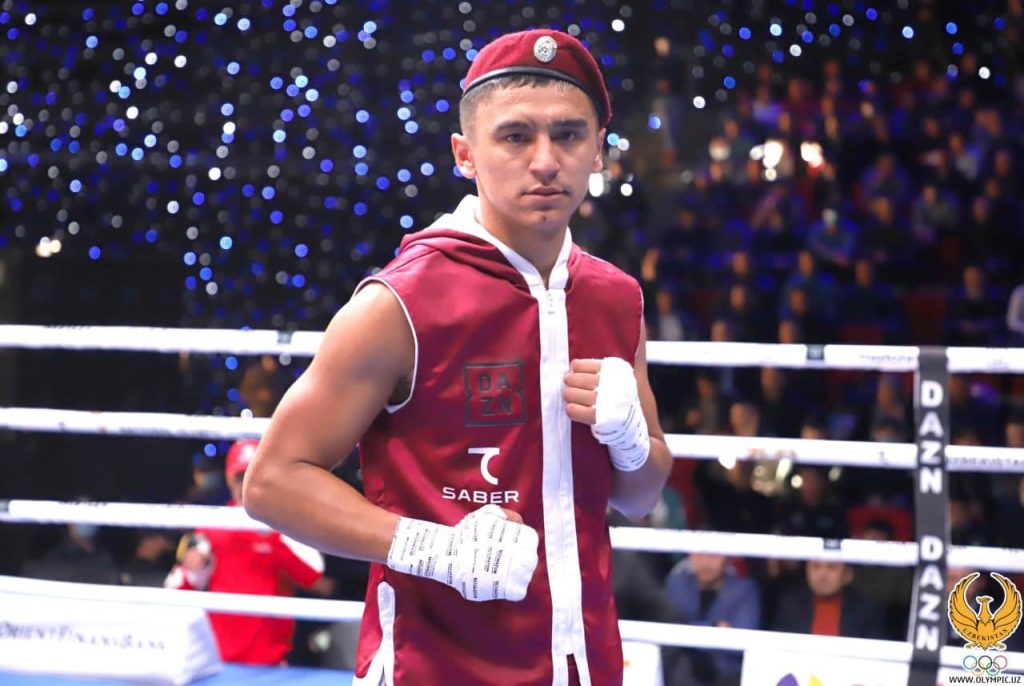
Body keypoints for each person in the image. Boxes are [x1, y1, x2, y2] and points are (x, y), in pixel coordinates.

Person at [242, 28, 672, 686]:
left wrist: (631, 440)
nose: (546, 161)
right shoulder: (400, 303)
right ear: (465, 155)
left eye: (568, 135)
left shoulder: (616, 299)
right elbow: (271, 482)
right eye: (516, 136)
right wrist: (432, 548)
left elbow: (640, 498)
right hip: (433, 668)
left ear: (597, 151)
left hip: (582, 665)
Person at [166, 439, 326, 665]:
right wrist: (193, 569)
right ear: (229, 480)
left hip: (273, 662)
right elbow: (176, 589)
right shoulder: (213, 524)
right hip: (220, 663)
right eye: (241, 477)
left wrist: (272, 533)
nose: (247, 485)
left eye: (254, 475)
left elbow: (313, 575)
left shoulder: (286, 522)